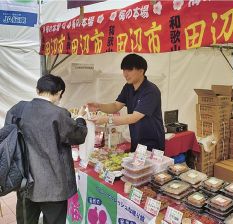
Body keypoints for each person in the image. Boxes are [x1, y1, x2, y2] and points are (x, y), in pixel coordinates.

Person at [4, 74, 87, 224]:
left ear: (37, 90)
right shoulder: (59, 114)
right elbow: (78, 136)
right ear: (60, 92)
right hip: (54, 187)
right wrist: (80, 119)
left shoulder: (18, 109)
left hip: (24, 182)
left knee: (26, 221)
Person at [88, 53, 165, 152]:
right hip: (136, 139)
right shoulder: (128, 87)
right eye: (124, 70)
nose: (125, 74)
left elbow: (133, 118)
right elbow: (116, 106)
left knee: (149, 167)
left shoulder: (151, 91)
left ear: (141, 71)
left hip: (151, 142)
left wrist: (107, 119)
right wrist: (99, 106)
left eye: (129, 70)